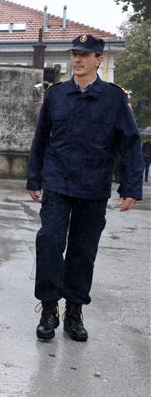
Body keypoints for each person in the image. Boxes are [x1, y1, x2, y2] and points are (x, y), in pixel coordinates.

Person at [27, 34, 143, 342]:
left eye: (84, 55)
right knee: (49, 241)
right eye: (74, 54)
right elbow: (41, 140)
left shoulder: (114, 98)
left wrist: (131, 186)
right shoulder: (56, 95)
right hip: (58, 183)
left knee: (82, 251)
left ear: (98, 60)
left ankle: (75, 311)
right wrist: (34, 177)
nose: (77, 60)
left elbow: (130, 144)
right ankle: (49, 309)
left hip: (93, 187)